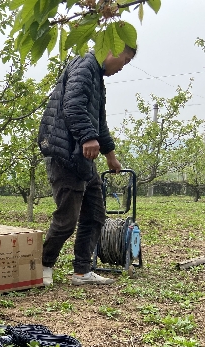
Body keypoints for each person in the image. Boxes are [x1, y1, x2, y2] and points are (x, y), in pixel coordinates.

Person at [37, 46, 136, 286]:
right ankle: (43, 266)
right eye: (124, 60)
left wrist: (110, 155)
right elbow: (72, 105)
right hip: (65, 153)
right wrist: (87, 138)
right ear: (113, 50)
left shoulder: (96, 77)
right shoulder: (85, 65)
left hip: (82, 158)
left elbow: (99, 122)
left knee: (94, 214)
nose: (122, 67)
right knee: (67, 219)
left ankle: (81, 271)